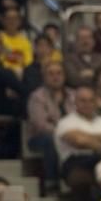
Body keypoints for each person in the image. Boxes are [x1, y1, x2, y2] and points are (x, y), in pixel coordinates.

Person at [26, 61, 73, 193]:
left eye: (59, 73)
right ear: (44, 77)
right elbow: (40, 124)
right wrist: (64, 133)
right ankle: (51, 183)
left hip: (70, 135)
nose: (55, 77)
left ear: (64, 76)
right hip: (40, 138)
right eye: (51, 74)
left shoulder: (73, 95)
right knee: (50, 140)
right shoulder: (37, 97)